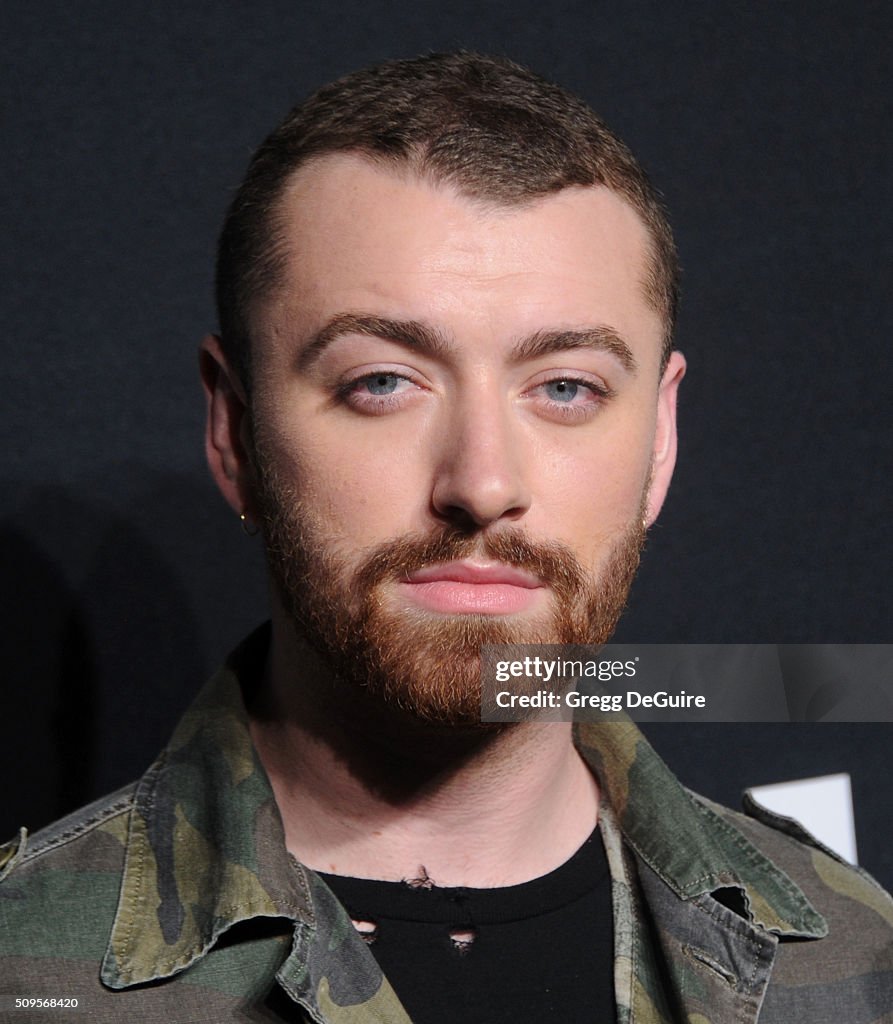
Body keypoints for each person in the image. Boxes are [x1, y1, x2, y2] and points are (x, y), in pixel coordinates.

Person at [1, 52, 890, 1024]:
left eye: (564, 387)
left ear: (660, 439)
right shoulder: (29, 976)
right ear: (234, 432)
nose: (481, 484)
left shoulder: (858, 968)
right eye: (381, 380)